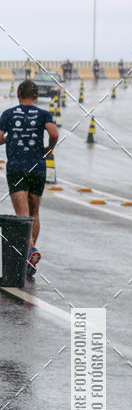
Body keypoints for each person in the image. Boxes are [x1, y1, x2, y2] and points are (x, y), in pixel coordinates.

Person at [0, 80, 59, 277]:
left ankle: (30, 250)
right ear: (36, 96)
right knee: (34, 213)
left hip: (17, 168)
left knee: (22, 216)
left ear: (18, 94)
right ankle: (29, 261)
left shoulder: (8, 114)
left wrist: (9, 139)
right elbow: (54, 133)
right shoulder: (43, 114)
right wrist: (48, 149)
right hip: (38, 168)